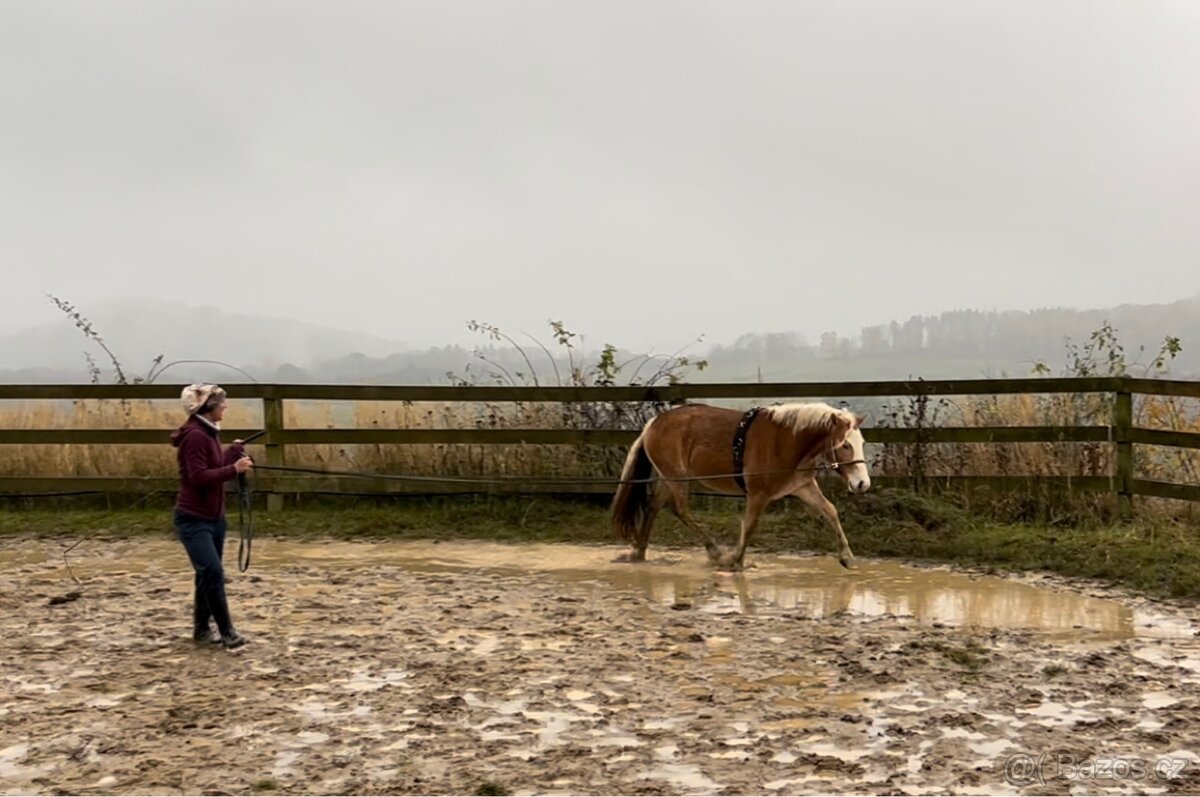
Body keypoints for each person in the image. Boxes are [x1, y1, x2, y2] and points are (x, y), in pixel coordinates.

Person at [169, 383, 254, 649]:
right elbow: (198, 477)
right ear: (208, 407)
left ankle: (202, 630)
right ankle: (227, 632)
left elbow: (212, 466)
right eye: (221, 403)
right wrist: (234, 470)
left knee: (207, 574)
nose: (225, 407)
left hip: (213, 517)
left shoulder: (208, 432)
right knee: (213, 572)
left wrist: (231, 454)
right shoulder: (196, 436)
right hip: (194, 518)